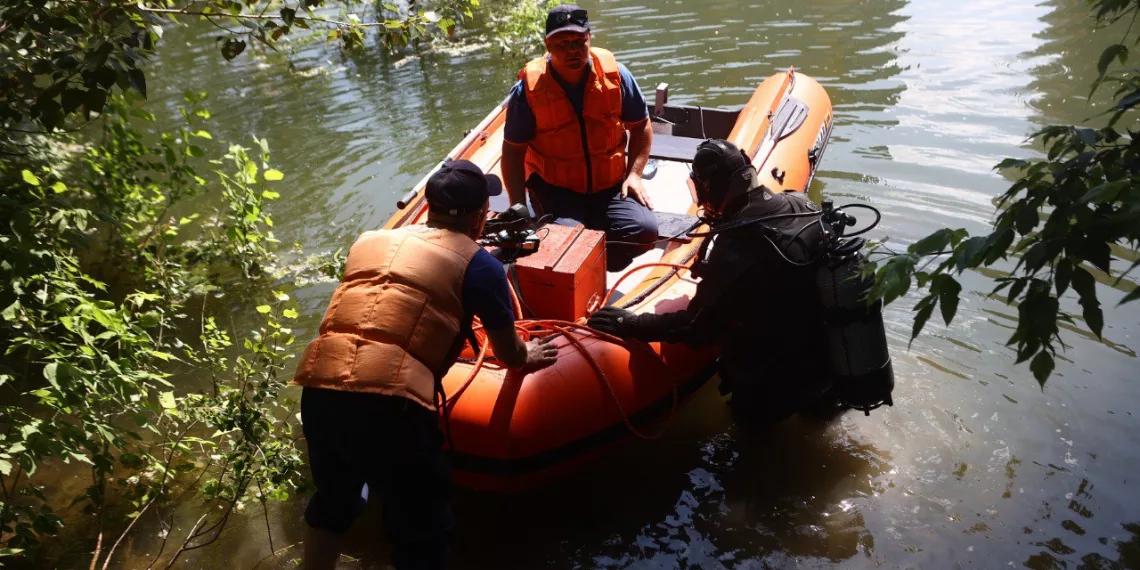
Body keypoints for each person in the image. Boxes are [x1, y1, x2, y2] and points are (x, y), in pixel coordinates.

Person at [293, 159, 559, 570]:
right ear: (480, 216)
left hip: (320, 386)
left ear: (427, 207)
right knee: (422, 531)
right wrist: (530, 354)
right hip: (389, 405)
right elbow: (509, 354)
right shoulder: (480, 266)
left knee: (333, 503)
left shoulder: (369, 241)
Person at [587, 139, 831, 423]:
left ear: (711, 188)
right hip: (828, 363)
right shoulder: (800, 203)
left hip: (777, 384)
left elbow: (697, 327)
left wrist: (631, 324)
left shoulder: (734, 250)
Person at [501, 4, 658, 271]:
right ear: (548, 44)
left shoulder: (616, 76)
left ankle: (597, 253)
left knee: (644, 231)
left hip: (609, 185)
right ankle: (581, 247)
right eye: (562, 43)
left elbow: (641, 126)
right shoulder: (528, 90)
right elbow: (513, 152)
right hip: (556, 189)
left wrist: (634, 174)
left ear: (589, 38)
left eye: (578, 41)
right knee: (568, 246)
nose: (572, 50)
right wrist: (518, 207)